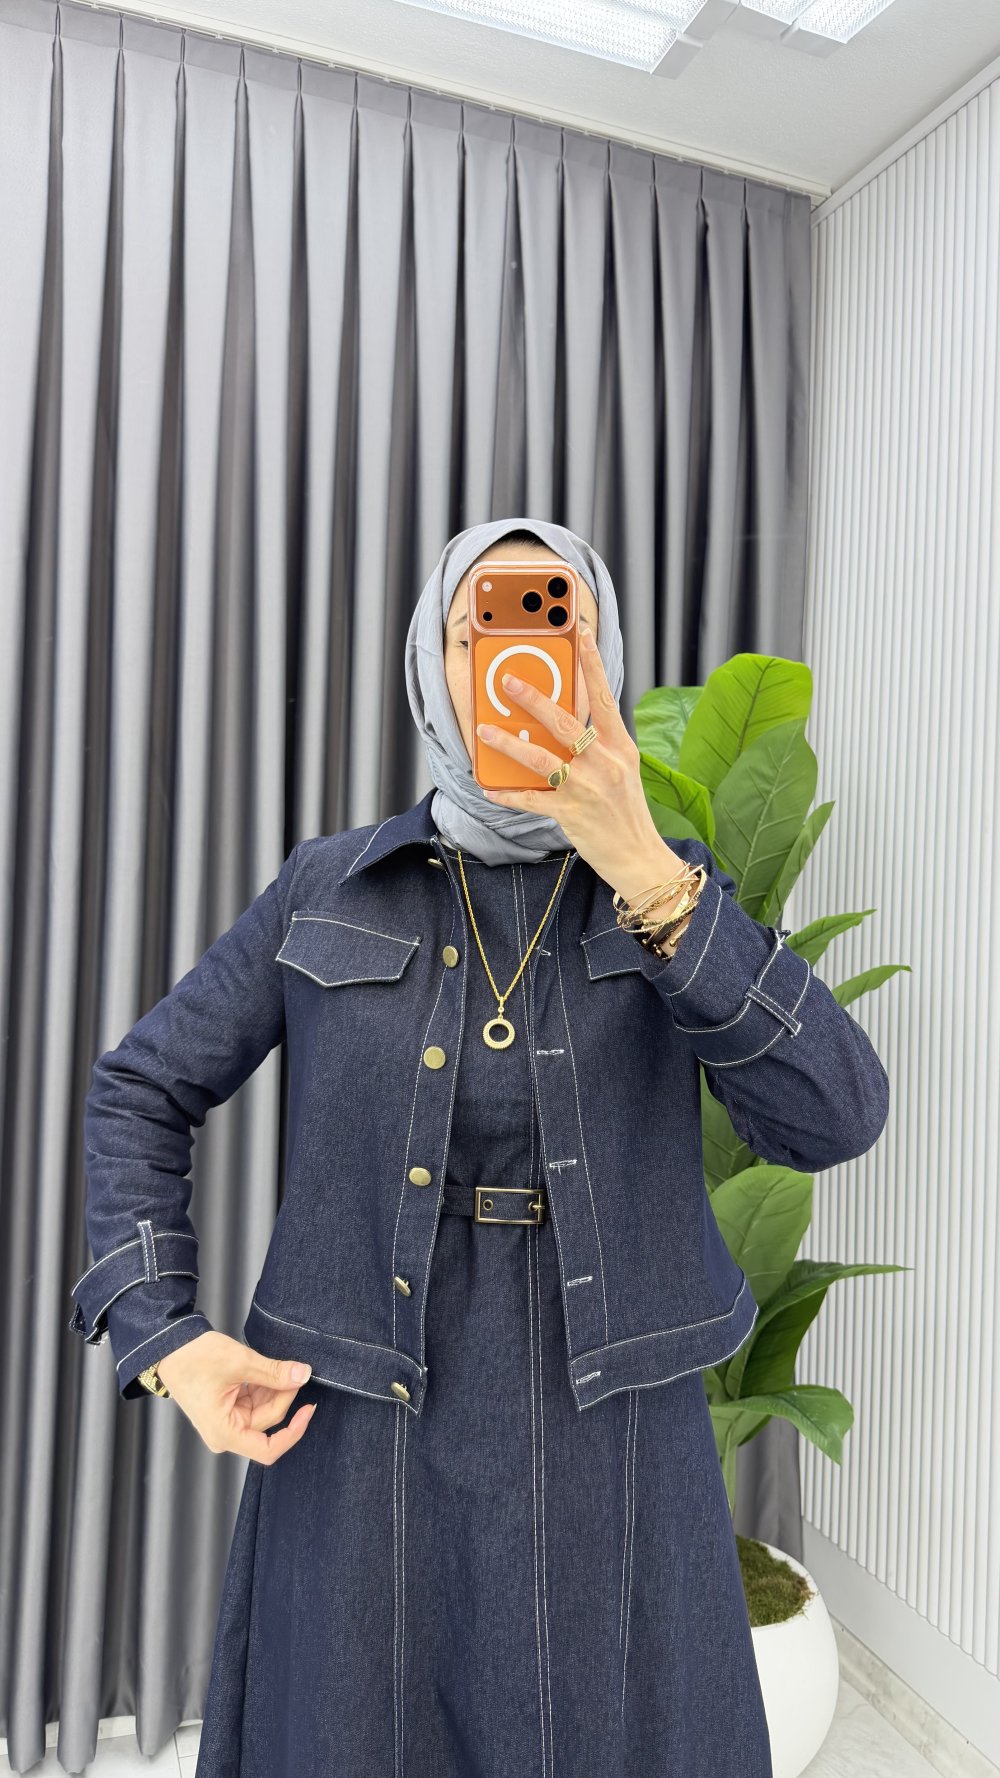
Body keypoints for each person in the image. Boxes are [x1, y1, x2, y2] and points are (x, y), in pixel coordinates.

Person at [70, 517, 890, 1775]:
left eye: (558, 624)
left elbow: (836, 1113)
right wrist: (163, 1333)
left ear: (602, 659)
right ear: (429, 664)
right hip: (360, 1436)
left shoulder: (672, 887)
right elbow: (138, 1087)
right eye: (479, 630)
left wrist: (646, 870)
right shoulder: (326, 887)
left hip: (618, 1441)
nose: (514, 664)